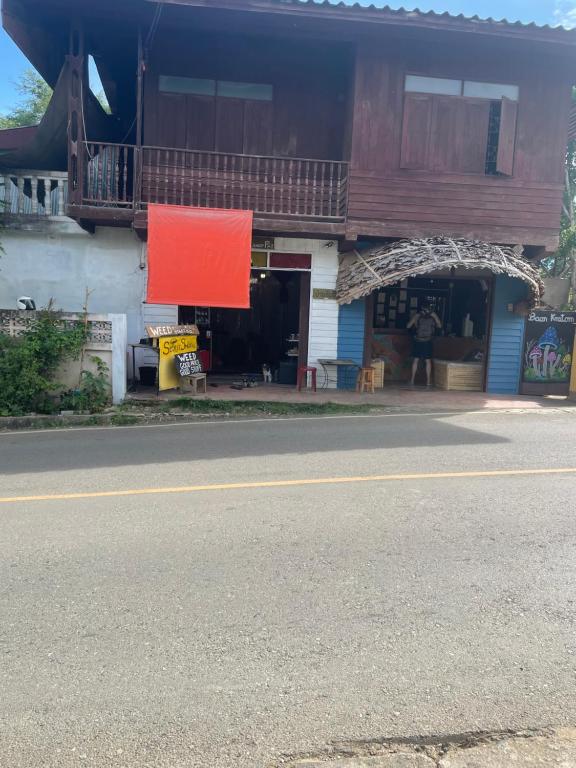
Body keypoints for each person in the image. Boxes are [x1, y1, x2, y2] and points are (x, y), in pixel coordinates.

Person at [407, 302, 441, 387]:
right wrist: (435, 316)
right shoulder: (433, 315)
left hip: (418, 340)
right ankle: (428, 382)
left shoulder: (417, 315)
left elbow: (408, 326)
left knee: (416, 360)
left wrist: (415, 324)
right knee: (428, 361)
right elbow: (439, 326)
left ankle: (412, 380)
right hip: (428, 341)